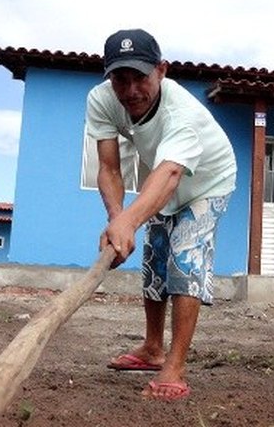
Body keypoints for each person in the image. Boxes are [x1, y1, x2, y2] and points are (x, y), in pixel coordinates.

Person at [85, 28, 237, 401]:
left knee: (184, 258)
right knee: (155, 259)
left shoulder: (181, 113)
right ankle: (152, 349)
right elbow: (110, 168)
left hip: (206, 183)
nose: (132, 90)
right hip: (163, 184)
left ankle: (175, 366)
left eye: (141, 77)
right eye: (121, 79)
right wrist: (117, 217)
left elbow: (171, 172)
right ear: (109, 77)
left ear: (162, 71)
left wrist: (128, 221)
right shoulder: (102, 100)